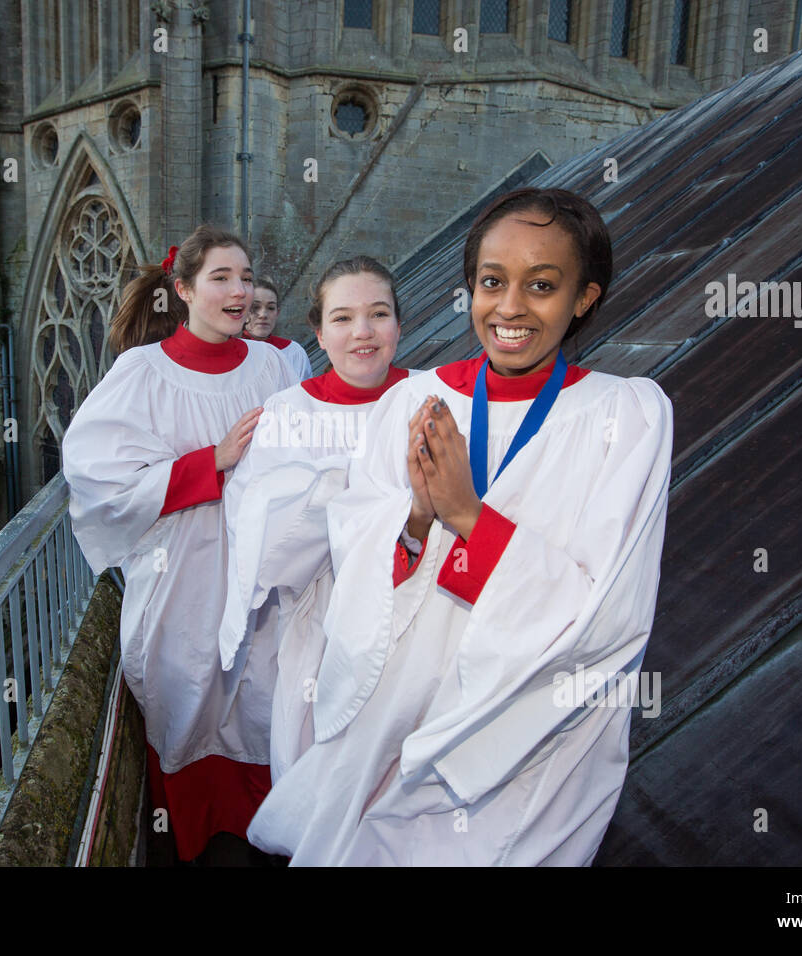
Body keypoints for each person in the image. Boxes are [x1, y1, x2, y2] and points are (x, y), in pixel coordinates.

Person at [246, 188, 674, 866]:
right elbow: (357, 543)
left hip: (520, 737)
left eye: (542, 285)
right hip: (394, 713)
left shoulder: (625, 418)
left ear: (584, 297)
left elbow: (609, 611)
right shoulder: (415, 399)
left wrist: (469, 515)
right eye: (491, 282)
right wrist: (415, 515)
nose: (509, 308)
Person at [62, 225, 297, 863]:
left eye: (246, 278)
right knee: (190, 702)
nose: (239, 291)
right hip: (180, 576)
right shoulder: (142, 371)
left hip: (259, 576)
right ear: (184, 289)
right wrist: (209, 463)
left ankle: (266, 838)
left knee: (259, 703)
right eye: (221, 278)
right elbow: (95, 476)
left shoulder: (272, 365)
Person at [220, 257, 416, 784]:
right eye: (343, 318)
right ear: (319, 333)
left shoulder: (436, 397)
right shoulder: (288, 413)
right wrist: (342, 493)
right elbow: (257, 543)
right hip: (321, 629)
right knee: (329, 782)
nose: (363, 333)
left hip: (421, 624)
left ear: (400, 323)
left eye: (379, 314)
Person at [242, 277, 314, 381]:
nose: (263, 315)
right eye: (255, 307)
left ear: (277, 313)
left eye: (270, 308)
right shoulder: (230, 351)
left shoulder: (293, 351)